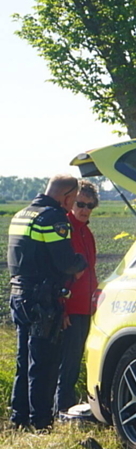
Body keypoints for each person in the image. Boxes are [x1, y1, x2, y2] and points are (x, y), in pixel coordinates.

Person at [7, 175, 87, 429]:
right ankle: (41, 423)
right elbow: (65, 261)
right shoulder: (52, 218)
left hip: (19, 295)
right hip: (43, 299)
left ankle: (18, 419)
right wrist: (80, 264)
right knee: (44, 363)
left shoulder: (21, 214)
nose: (72, 204)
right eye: (73, 199)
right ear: (66, 195)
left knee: (24, 359)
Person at [54, 180, 100, 417]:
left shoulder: (87, 232)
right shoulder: (66, 229)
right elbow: (61, 274)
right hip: (70, 308)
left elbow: (90, 271)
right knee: (67, 362)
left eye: (90, 205)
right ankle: (62, 408)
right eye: (80, 203)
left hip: (85, 307)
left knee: (76, 358)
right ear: (71, 203)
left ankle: (67, 405)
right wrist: (63, 310)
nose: (85, 209)